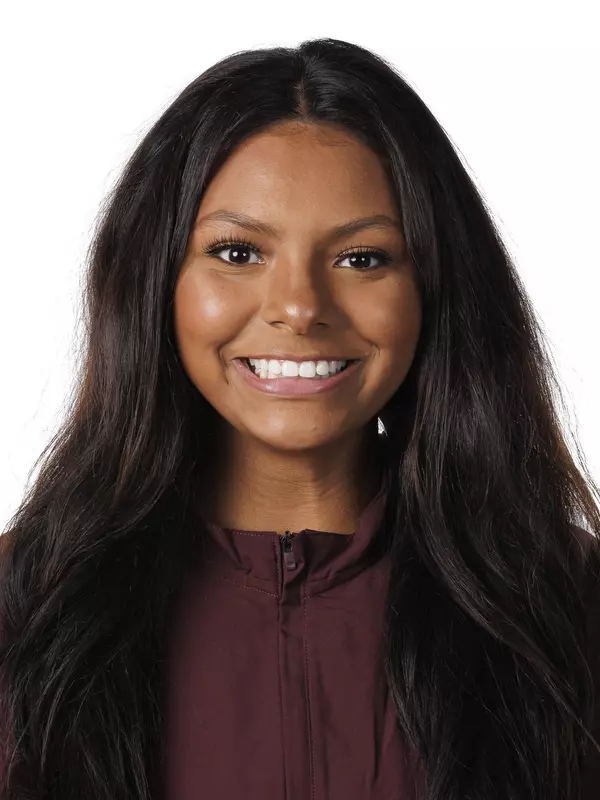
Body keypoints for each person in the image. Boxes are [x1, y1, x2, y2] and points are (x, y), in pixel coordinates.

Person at [0, 36, 599, 800]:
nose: (299, 307)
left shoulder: (567, 606)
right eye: (238, 252)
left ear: (435, 289)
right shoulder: (25, 605)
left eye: (362, 258)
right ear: (156, 280)